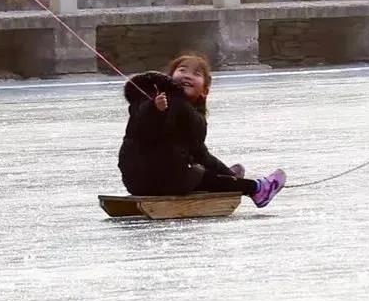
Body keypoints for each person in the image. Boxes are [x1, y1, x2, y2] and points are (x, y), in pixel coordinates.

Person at [118, 54, 287, 207]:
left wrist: (226, 173)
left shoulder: (189, 113)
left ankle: (231, 179)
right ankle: (256, 189)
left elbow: (199, 152)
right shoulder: (156, 101)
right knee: (201, 177)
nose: (187, 75)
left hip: (136, 182)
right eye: (182, 70)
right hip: (162, 179)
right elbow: (143, 126)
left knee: (195, 170)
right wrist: (155, 109)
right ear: (170, 78)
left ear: (204, 91)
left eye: (196, 74)